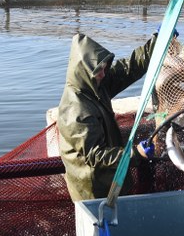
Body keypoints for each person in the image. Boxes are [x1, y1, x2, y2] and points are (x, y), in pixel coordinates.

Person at [57, 31, 158, 202]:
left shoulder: (96, 85)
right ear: (84, 71)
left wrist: (157, 41)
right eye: (99, 71)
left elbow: (129, 68)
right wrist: (135, 153)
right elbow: (96, 156)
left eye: (104, 68)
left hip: (113, 180)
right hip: (93, 190)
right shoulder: (74, 110)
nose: (103, 74)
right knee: (102, 225)